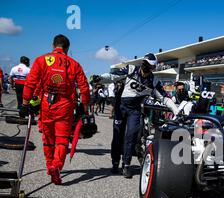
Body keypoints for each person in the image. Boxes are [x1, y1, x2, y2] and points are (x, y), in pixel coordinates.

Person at [94, 53, 178, 178]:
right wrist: (99, 78)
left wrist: (176, 110)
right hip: (120, 107)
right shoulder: (131, 69)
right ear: (142, 63)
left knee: (131, 136)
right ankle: (115, 162)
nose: (146, 68)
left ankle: (126, 165)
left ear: (153, 68)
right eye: (145, 64)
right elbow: (112, 76)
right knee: (118, 135)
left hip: (135, 110)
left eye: (150, 66)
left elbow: (165, 98)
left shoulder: (154, 81)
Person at [22, 34, 90, 185]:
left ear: (54, 45)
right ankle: (56, 166)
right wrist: (85, 107)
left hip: (47, 104)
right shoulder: (74, 64)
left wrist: (25, 103)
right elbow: (84, 87)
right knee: (62, 140)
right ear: (67, 48)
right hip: (65, 106)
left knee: (48, 138)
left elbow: (30, 82)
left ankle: (49, 165)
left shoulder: (41, 60)